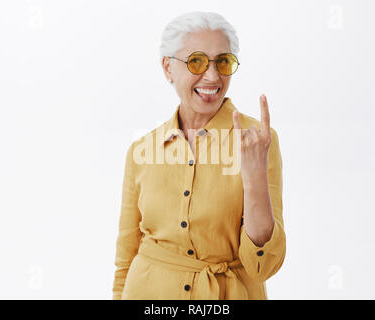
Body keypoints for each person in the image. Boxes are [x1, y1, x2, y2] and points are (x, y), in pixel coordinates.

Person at [113, 11, 286, 300]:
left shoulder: (257, 141)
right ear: (168, 68)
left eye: (223, 62)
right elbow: (126, 253)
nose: (212, 76)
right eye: (196, 61)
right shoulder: (142, 150)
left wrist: (255, 176)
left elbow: (262, 266)